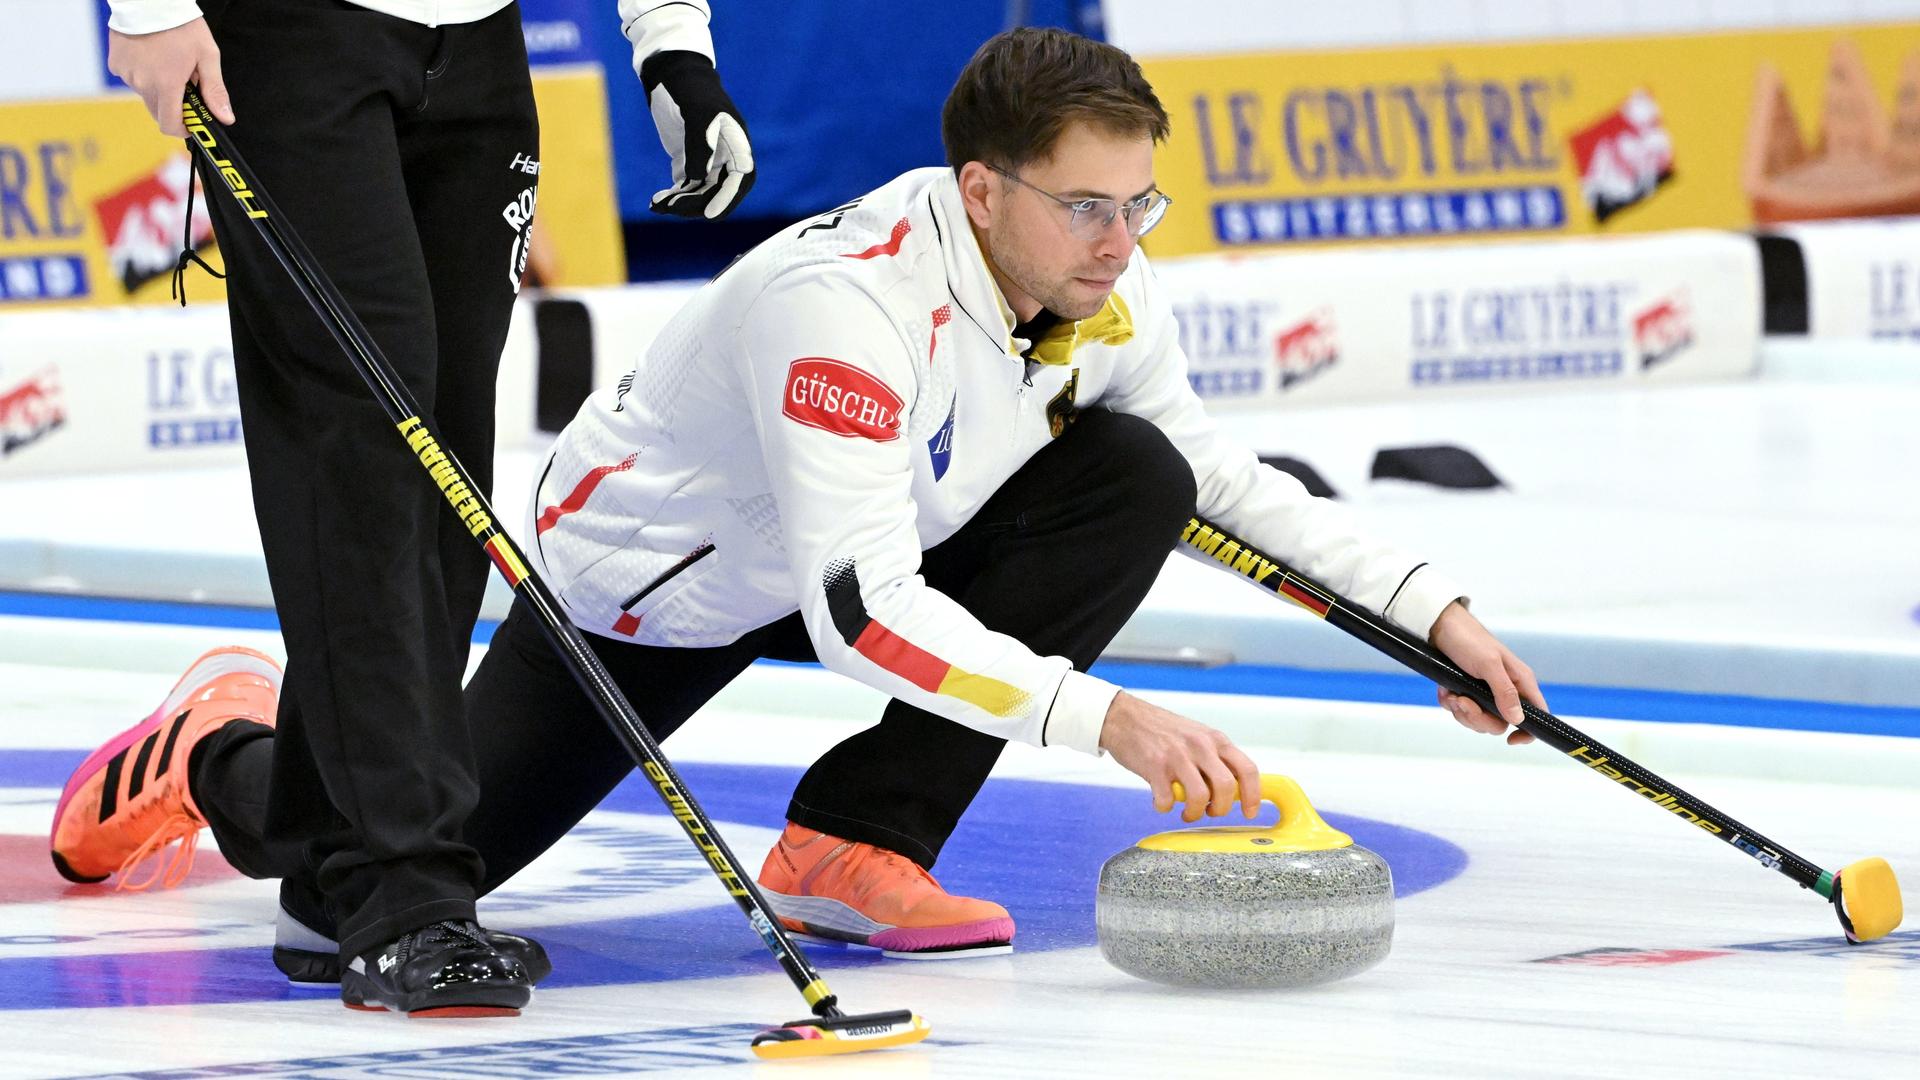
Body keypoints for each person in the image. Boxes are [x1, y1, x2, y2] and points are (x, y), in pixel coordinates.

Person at [56, 26, 1543, 984]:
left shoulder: (1100, 278)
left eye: (1137, 205)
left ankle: (854, 839)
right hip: (654, 602)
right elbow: (863, 615)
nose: (1119, 242)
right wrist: (1113, 722)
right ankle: (220, 752)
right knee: (338, 881)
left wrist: (1436, 620)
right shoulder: (844, 309)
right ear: (979, 188)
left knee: (1139, 476)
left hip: (868, 539)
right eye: (1087, 206)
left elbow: (1218, 479)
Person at [52, 0, 755, 1016]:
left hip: (478, 46)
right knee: (364, 458)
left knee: (443, 476)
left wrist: (671, 41)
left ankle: (283, 822)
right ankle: (403, 892)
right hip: (288, 40)